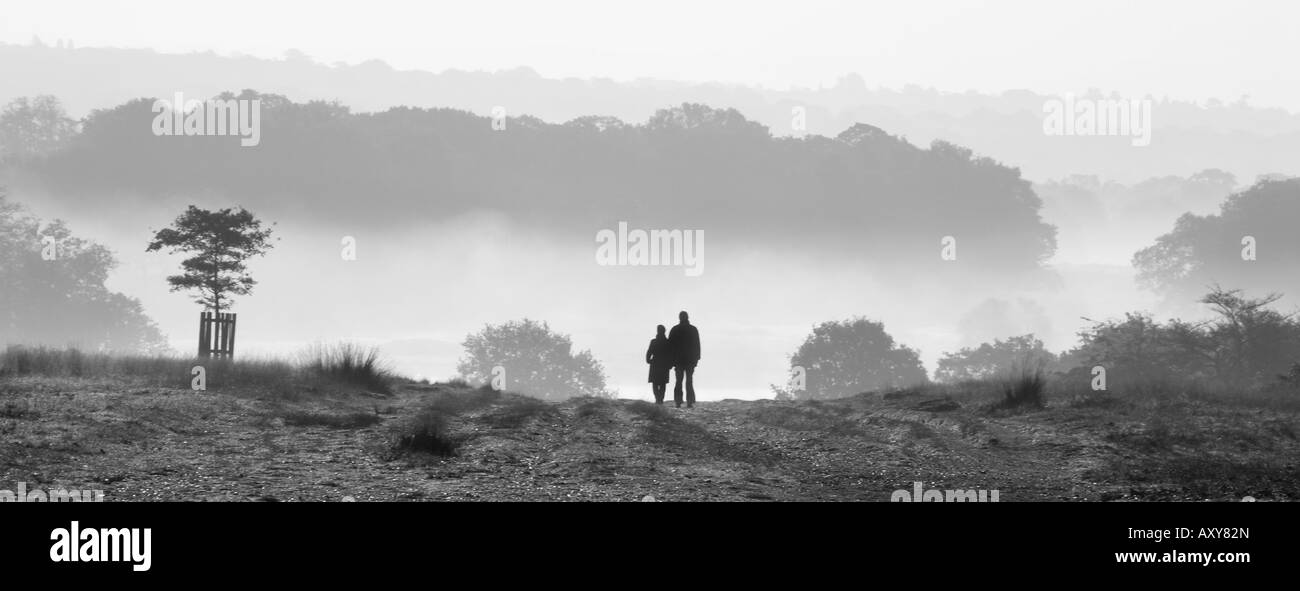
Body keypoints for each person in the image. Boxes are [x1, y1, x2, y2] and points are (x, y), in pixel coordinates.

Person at [668, 310, 700, 408]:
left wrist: (670, 360)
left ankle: (678, 401)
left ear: (680, 318)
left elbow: (670, 346)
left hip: (678, 360)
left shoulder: (675, 329)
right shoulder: (693, 329)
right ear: (687, 317)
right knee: (689, 381)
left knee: (679, 380)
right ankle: (689, 401)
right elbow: (697, 345)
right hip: (690, 360)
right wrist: (696, 358)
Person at [645, 325, 673, 404]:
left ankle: (658, 398)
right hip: (664, 364)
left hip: (655, 363)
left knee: (655, 383)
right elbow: (671, 354)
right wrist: (670, 363)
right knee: (662, 383)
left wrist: (648, 360)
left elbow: (649, 351)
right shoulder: (667, 342)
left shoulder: (654, 341)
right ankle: (660, 398)